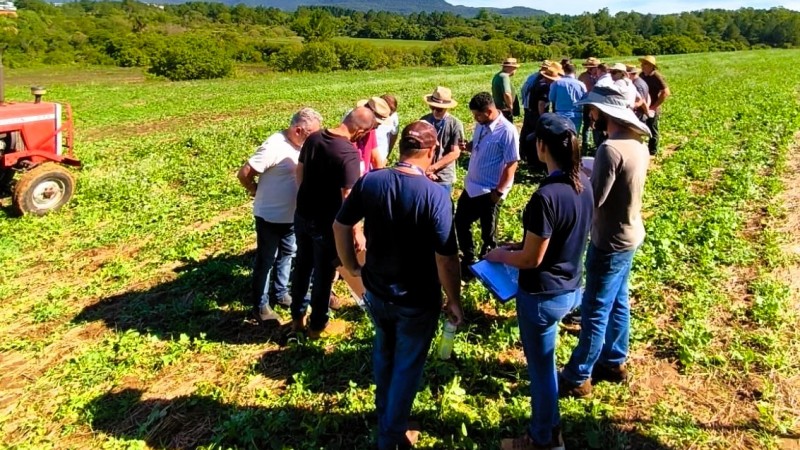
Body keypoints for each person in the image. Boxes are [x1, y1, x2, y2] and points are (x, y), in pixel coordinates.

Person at [333, 120, 463, 450]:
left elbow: (341, 224)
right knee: (407, 365)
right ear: (431, 151)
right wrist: (454, 299)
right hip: (417, 298)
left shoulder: (372, 182)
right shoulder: (435, 195)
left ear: (401, 148)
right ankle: (390, 436)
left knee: (384, 351)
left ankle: (386, 415)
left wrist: (350, 266)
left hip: (377, 291)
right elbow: (446, 258)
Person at [486, 114, 593, 450]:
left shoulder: (545, 197)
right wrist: (519, 244)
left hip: (541, 296)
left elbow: (532, 260)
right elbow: (558, 236)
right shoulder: (584, 183)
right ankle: (548, 431)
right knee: (545, 364)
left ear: (541, 146)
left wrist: (499, 256)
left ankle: (543, 438)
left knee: (542, 370)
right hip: (570, 286)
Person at [559, 86, 651, 398]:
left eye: (594, 109)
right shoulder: (637, 144)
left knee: (595, 307)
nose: (592, 114)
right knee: (619, 301)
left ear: (605, 112)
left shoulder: (610, 149)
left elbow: (595, 198)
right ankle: (614, 360)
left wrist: (578, 177)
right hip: (631, 233)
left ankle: (578, 375)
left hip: (609, 240)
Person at [290, 106, 375, 339]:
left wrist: (303, 198)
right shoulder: (348, 153)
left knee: (302, 268)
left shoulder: (314, 138)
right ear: (359, 131)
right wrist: (357, 231)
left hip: (303, 216)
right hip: (326, 225)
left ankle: (297, 319)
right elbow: (349, 197)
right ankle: (316, 327)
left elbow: (300, 170)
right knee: (323, 276)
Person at [237, 108, 323, 322]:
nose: (314, 138)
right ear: (298, 129)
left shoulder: (300, 146)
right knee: (266, 260)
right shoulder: (274, 146)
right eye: (311, 134)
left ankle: (281, 293)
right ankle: (260, 305)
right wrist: (254, 189)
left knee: (287, 255)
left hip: (292, 216)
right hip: (270, 216)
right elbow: (245, 173)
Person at [456, 92, 520, 278]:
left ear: (489, 111)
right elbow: (478, 145)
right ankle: (469, 260)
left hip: (489, 190)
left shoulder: (507, 131)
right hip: (471, 187)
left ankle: (488, 268)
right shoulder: (481, 125)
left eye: (478, 115)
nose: (475, 119)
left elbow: (512, 163)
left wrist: (499, 192)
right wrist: (467, 147)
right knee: (461, 222)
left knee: (488, 234)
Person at [420, 86, 465, 195]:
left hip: (444, 176)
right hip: (424, 173)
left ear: (447, 108)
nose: (435, 111)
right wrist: (426, 170)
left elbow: (455, 152)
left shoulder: (455, 124)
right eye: (432, 107)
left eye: (439, 109)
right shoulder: (424, 120)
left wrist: (433, 168)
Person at [522, 66, 560, 170]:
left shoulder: (537, 83)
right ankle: (537, 163)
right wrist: (543, 117)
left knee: (530, 136)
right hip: (537, 114)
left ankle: (530, 161)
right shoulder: (545, 87)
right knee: (538, 137)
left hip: (530, 113)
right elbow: (541, 103)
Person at [638, 55, 671, 155]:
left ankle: (652, 152)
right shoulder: (642, 75)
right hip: (643, 107)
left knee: (652, 130)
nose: (642, 66)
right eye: (642, 64)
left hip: (652, 108)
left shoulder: (656, 76)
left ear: (652, 66)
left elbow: (666, 92)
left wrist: (654, 106)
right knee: (640, 128)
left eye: (645, 64)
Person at [355, 96, 392, 174]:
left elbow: (375, 158)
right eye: (377, 123)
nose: (378, 126)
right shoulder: (351, 133)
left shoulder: (371, 132)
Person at [548, 61, 587, 133]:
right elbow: (585, 100)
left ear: (564, 71)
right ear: (574, 72)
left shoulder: (556, 83)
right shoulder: (581, 84)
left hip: (560, 114)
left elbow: (551, 98)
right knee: (574, 137)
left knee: (560, 137)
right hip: (576, 115)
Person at [578, 57, 601, 155]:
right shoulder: (583, 76)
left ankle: (597, 145)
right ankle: (585, 145)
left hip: (598, 104)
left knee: (597, 125)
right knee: (587, 125)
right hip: (587, 104)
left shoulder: (600, 76)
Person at [492, 57, 521, 122]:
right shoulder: (504, 77)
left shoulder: (498, 75)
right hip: (505, 110)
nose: (515, 70)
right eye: (515, 68)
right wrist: (510, 107)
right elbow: (507, 94)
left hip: (499, 109)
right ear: (510, 67)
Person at [376, 94, 399, 162]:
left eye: (391, 114)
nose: (389, 116)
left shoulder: (393, 116)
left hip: (381, 158)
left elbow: (394, 134)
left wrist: (388, 154)